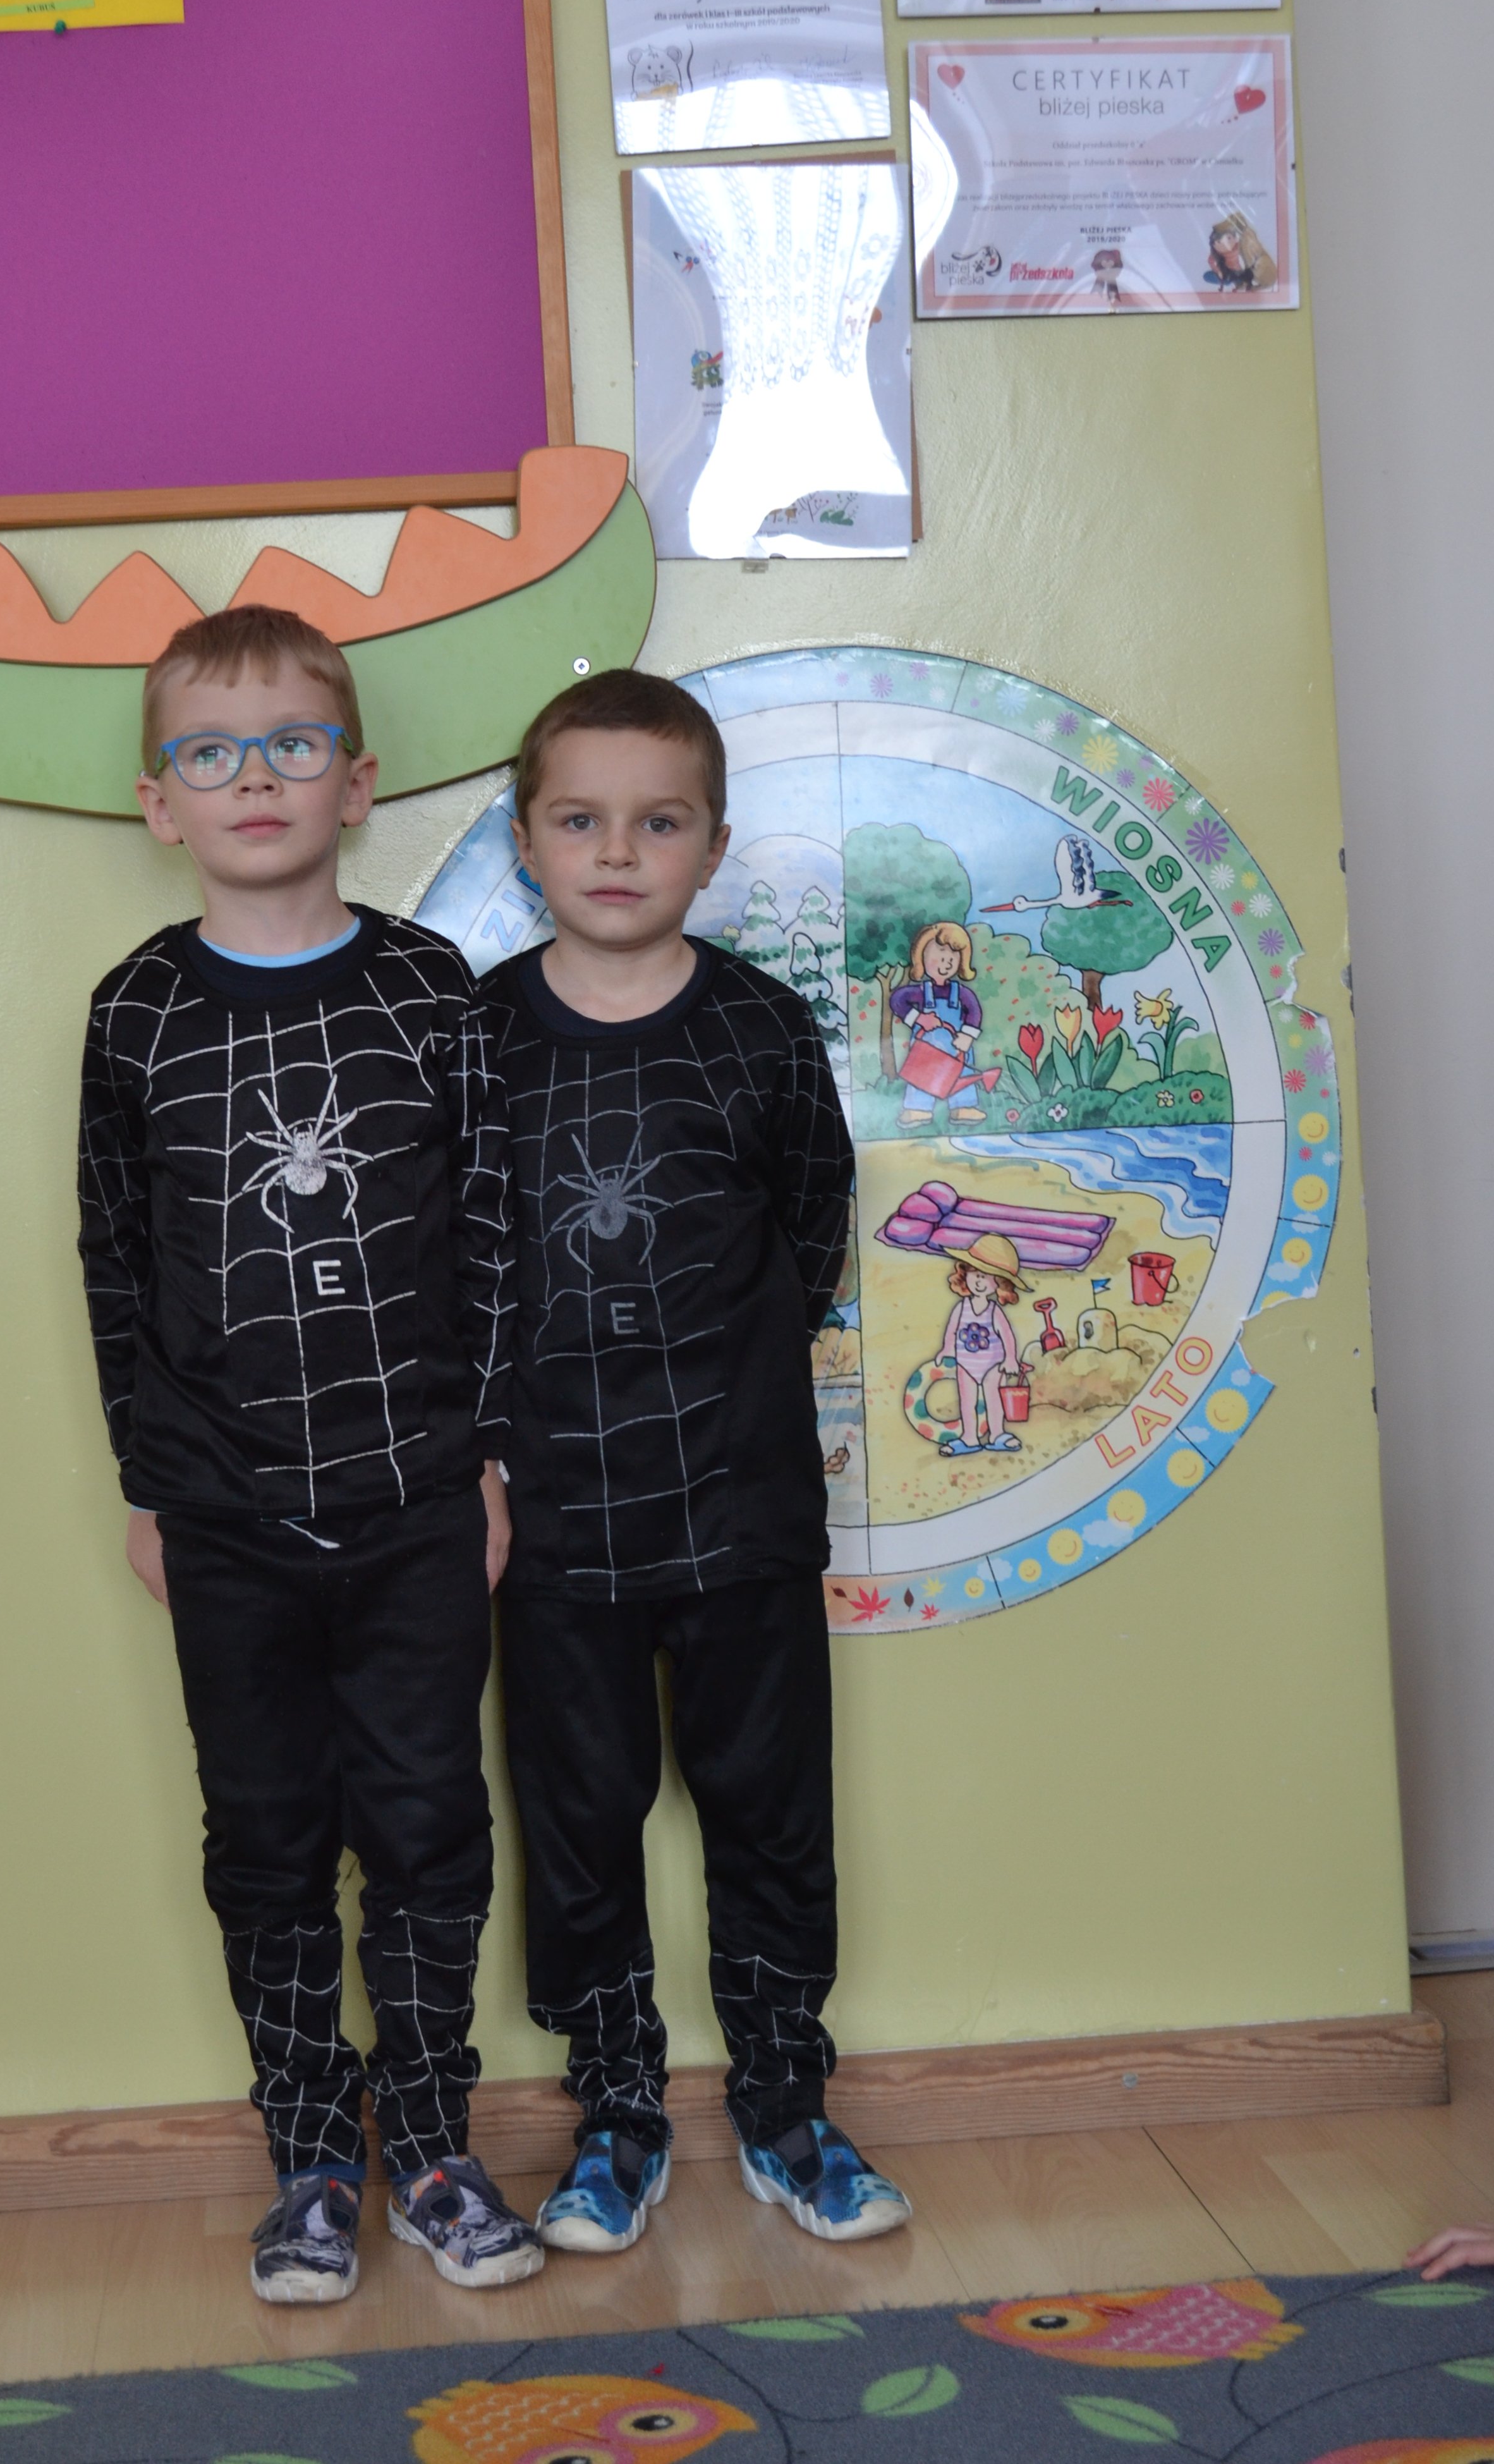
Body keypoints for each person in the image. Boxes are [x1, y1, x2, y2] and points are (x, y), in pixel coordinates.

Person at [76, 604, 541, 2309]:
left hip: (417, 1497)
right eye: (210, 750)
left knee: (427, 1825)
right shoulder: (136, 1014)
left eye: (291, 743)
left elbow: (490, 1237)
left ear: (355, 781)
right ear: (161, 801)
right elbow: (114, 1263)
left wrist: (487, 1461)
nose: (253, 775)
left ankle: (429, 2142)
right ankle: (310, 2162)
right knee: (265, 1839)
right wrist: (146, 1482)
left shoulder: (429, 992)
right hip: (222, 1512)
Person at [478, 667, 913, 2260]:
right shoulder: (477, 1037)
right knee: (578, 1823)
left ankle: (788, 2103)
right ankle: (615, 2111)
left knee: (769, 1813)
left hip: (743, 1505)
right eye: (580, 820)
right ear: (526, 841)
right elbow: (458, 1268)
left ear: (712, 846)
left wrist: (721, 1386)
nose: (617, 852)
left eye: (657, 823)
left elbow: (810, 1229)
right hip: (551, 1523)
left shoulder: (759, 1027)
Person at [891, 923, 985, 1128]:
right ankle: (918, 1109)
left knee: (963, 1074)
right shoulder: (919, 992)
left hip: (957, 1048)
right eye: (940, 957)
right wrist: (919, 1018)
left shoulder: (962, 993)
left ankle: (963, 1107)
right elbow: (897, 1000)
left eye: (953, 958)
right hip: (927, 1049)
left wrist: (967, 1036)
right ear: (921, 957)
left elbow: (974, 1012)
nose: (947, 963)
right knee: (921, 1076)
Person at [937, 1235, 1024, 1456]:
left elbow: (1007, 1335)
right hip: (966, 1363)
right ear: (965, 1275)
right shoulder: (961, 1307)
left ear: (999, 1283)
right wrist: (947, 1349)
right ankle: (969, 1438)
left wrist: (1011, 1358)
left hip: (993, 1364)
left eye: (985, 1276)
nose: (979, 1281)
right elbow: (952, 1330)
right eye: (975, 1274)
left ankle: (997, 1435)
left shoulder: (994, 1310)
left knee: (993, 1399)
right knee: (967, 1402)